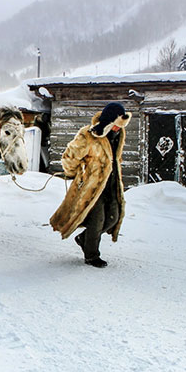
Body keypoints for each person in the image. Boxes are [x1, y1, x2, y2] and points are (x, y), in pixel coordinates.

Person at [50, 102, 132, 267]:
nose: (118, 128)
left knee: (113, 217)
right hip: (92, 185)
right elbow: (69, 157)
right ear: (108, 121)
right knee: (97, 220)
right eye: (116, 125)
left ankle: (83, 239)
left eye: (120, 125)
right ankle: (92, 255)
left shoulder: (119, 135)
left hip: (112, 184)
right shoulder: (88, 135)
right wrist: (74, 173)